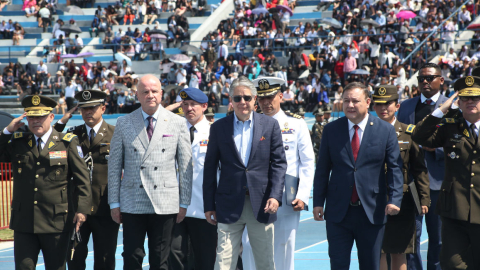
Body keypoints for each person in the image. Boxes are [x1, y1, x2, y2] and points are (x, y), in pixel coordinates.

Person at [312, 82, 404, 270]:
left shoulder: (385, 130)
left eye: (355, 101)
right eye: (346, 101)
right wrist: (318, 202)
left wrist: (395, 199)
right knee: (338, 264)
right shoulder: (331, 130)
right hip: (338, 213)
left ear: (368, 102)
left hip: (371, 211)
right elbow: (322, 169)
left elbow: (395, 168)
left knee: (370, 265)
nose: (350, 105)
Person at [108, 74, 193, 269]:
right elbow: (114, 167)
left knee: (160, 259)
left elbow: (186, 167)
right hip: (132, 200)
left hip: (164, 201)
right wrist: (114, 202)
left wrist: (183, 202)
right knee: (131, 256)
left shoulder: (178, 123)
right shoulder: (123, 123)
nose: (150, 95)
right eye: (145, 92)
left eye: (154, 91)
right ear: (137, 95)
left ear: (161, 94)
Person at [203, 76, 287, 270]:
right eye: (238, 98)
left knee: (265, 262)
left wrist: (275, 196)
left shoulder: (270, 125)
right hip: (228, 204)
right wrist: (209, 205)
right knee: (223, 263)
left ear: (255, 99)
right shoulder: (218, 128)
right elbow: (210, 168)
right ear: (230, 100)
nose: (243, 102)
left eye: (247, 98)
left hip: (262, 204)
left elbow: (279, 164)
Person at [0, 95, 91, 270]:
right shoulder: (19, 141)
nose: (36, 121)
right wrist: (7, 132)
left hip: (56, 221)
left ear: (51, 117)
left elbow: (82, 179)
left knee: (56, 267)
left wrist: (82, 210)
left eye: (40, 117)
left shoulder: (66, 143)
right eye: (31, 117)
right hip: (25, 221)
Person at [242, 77, 315, 270]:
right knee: (249, 246)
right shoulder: (249, 124)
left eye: (271, 98)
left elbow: (307, 162)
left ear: (281, 96)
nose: (266, 103)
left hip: (286, 196)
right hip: (255, 195)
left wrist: (302, 195)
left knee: (284, 247)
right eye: (262, 99)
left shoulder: (296, 124)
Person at [412, 76, 480, 270]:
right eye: (465, 98)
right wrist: (443, 108)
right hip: (454, 209)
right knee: (452, 264)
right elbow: (419, 136)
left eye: (475, 97)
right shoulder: (450, 125)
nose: (470, 102)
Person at [53, 90, 120, 270]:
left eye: (92, 108)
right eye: (84, 109)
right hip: (76, 207)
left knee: (105, 259)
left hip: (105, 207)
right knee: (74, 258)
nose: (88, 112)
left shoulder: (115, 133)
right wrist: (62, 121)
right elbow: (50, 140)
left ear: (103, 108)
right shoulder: (72, 134)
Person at [371, 85, 431, 270]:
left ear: (397, 106)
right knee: (377, 251)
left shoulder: (408, 132)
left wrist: (424, 197)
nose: (383, 108)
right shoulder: (367, 132)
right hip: (373, 199)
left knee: (399, 251)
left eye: (388, 104)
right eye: (379, 104)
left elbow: (419, 168)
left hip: (403, 199)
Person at [397, 63, 447, 270]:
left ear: (441, 80)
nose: (425, 82)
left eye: (430, 78)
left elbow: (461, 141)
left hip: (438, 182)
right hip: (410, 182)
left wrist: (437, 149)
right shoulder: (407, 106)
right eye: (421, 79)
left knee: (439, 239)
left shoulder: (453, 105)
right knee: (410, 239)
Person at [169, 88, 217, 270]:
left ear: (204, 106)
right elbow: (150, 122)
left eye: (193, 105)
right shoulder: (173, 131)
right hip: (175, 208)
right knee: (175, 257)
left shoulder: (215, 132)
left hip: (204, 209)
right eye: (185, 105)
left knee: (205, 260)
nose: (189, 109)